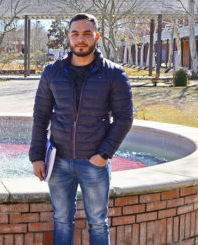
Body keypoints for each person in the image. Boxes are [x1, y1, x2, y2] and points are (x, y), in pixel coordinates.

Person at [29, 13, 133, 245]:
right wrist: (37, 156)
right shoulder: (52, 72)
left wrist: (103, 155)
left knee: (97, 222)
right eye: (75, 33)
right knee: (62, 220)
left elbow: (124, 118)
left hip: (94, 162)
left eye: (87, 33)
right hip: (59, 162)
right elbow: (41, 116)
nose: (81, 39)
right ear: (69, 37)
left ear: (96, 37)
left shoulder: (113, 74)